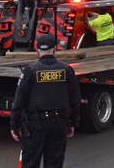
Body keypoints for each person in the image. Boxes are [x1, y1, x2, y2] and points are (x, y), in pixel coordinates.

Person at [10, 34, 80, 168]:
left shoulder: (30, 70)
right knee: (54, 164)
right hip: (59, 123)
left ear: (37, 50)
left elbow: (19, 100)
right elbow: (75, 100)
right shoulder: (66, 69)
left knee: (30, 163)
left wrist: (14, 124)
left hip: (34, 125)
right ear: (54, 49)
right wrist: (72, 122)